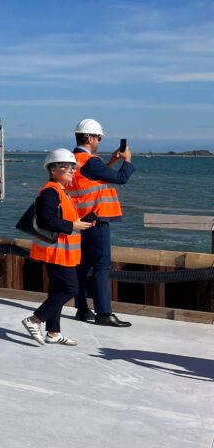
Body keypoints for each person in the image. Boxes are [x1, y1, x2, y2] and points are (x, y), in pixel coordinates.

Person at [21, 149, 94, 346]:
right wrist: (73, 226)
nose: (71, 170)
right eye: (66, 167)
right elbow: (46, 220)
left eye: (73, 167)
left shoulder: (61, 191)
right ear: (53, 169)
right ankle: (34, 320)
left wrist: (79, 222)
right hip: (56, 252)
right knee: (71, 288)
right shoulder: (51, 191)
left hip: (62, 251)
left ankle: (53, 332)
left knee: (57, 290)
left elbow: (60, 218)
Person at [69, 118, 135, 327]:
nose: (99, 141)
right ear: (89, 137)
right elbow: (121, 178)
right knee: (101, 266)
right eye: (98, 137)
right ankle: (104, 313)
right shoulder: (91, 161)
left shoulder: (73, 160)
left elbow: (91, 178)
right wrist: (127, 161)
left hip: (81, 220)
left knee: (82, 266)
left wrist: (112, 161)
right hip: (98, 219)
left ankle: (82, 309)